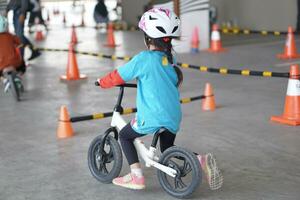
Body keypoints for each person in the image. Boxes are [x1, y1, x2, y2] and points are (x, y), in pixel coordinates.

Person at [96, 8, 223, 190]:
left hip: (153, 116)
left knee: (124, 136)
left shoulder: (143, 59)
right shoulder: (169, 61)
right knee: (167, 148)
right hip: (173, 115)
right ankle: (200, 159)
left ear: (147, 38)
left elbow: (118, 76)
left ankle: (136, 176)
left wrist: (102, 82)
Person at [0, 15, 26, 92]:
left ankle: (4, 80)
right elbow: (20, 44)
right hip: (15, 62)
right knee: (22, 66)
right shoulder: (10, 36)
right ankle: (18, 76)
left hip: (1, 64)